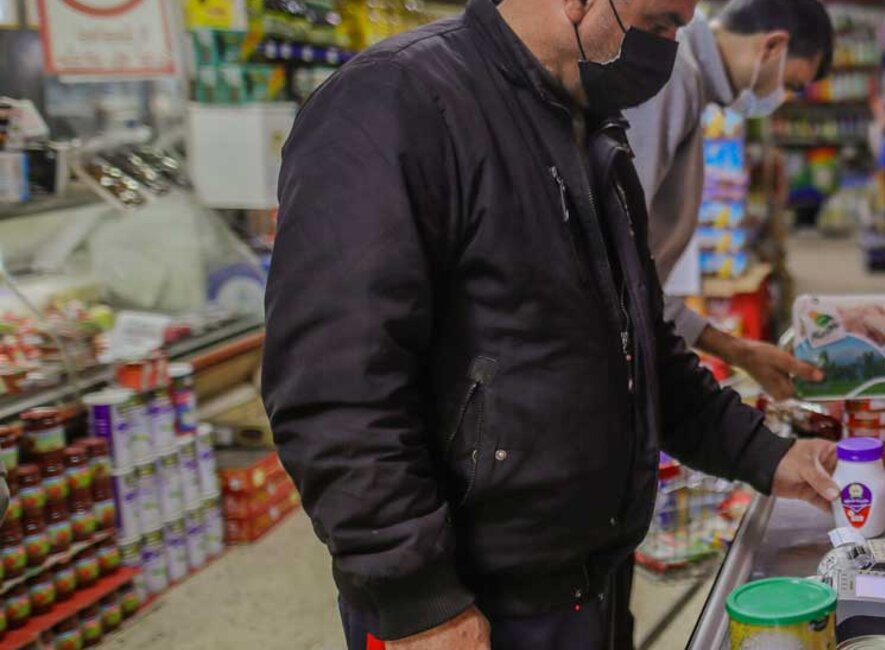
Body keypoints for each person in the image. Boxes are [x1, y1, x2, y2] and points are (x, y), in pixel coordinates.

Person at [262, 0, 841, 648]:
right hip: (468, 610)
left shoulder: (592, 128)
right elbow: (333, 389)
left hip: (585, 589)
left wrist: (769, 456)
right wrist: (419, 599)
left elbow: (642, 347)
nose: (669, 51)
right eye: (657, 26)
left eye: (679, 28)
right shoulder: (394, 104)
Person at [623, 0, 832, 398]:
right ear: (771, 47)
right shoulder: (674, 77)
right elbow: (614, 256)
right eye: (791, 84)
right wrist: (732, 349)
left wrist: (739, 352)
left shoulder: (687, 79)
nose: (785, 98)